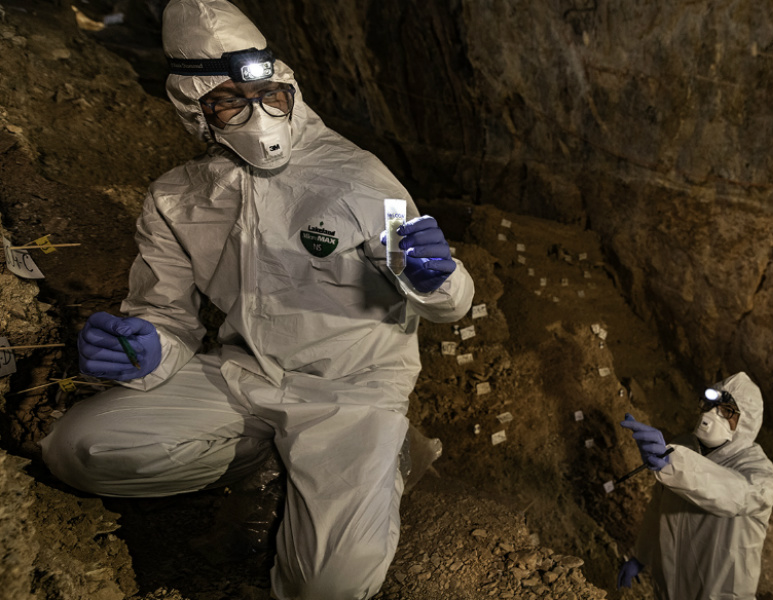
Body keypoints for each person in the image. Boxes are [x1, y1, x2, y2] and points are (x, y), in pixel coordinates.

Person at [40, 1, 474, 599]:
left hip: (349, 388)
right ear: (195, 109)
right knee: (78, 451)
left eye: (269, 94)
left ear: (287, 86)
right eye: (230, 101)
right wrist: (149, 350)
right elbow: (164, 314)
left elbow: (445, 302)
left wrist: (438, 280)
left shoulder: (358, 179)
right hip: (243, 374)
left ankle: (384, 452)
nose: (259, 113)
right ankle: (260, 457)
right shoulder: (177, 199)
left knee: (329, 586)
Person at [617, 372, 773, 600]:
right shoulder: (681, 448)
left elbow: (736, 495)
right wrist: (641, 556)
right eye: (710, 405)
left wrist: (675, 464)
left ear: (747, 421)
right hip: (671, 588)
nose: (710, 415)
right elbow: (658, 509)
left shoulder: (760, 473)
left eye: (725, 411)